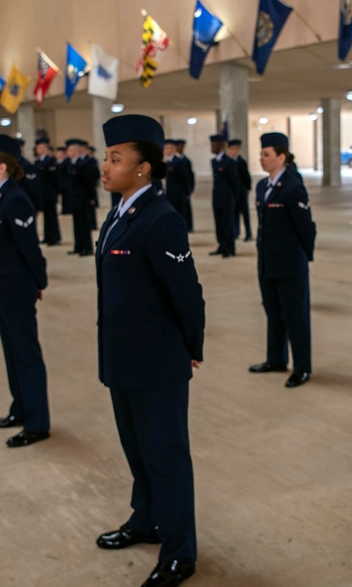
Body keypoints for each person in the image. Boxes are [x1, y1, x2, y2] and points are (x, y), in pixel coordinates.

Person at [93, 115, 204, 587]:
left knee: (165, 456)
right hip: (122, 358)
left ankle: (180, 551)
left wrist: (191, 347)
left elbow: (187, 292)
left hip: (157, 362)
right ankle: (146, 521)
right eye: (106, 156)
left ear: (143, 169)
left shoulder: (162, 219)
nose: (105, 165)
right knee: (137, 451)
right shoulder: (120, 213)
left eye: (116, 158)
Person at [0, 134, 51, 448]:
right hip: (2, 289)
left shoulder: (15, 198)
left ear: (2, 167)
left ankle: (37, 423)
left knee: (25, 354)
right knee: (11, 354)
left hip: (17, 289)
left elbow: (29, 248)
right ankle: (20, 408)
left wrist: (39, 282)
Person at [247, 133, 317, 388]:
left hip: (290, 264)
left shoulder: (293, 186)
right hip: (267, 263)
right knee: (273, 312)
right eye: (261, 154)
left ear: (281, 157)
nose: (261, 158)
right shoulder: (263, 187)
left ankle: (302, 367)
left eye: (266, 154)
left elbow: (306, 228)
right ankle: (276, 359)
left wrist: (303, 257)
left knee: (295, 316)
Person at [208, 134, 240, 257]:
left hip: (227, 198)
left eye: (214, 145)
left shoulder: (229, 162)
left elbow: (235, 182)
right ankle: (222, 245)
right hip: (217, 197)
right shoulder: (214, 162)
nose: (212, 147)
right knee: (219, 224)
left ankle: (230, 248)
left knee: (228, 224)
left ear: (221, 146)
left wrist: (234, 198)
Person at [66, 138, 97, 256]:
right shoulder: (71, 164)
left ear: (76, 151)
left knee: (84, 223)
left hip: (83, 197)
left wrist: (91, 197)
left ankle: (87, 247)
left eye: (71, 150)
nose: (69, 152)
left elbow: (89, 182)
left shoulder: (84, 163)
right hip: (74, 198)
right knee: (76, 223)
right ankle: (78, 246)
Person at [34, 137, 61, 246]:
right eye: (38, 148)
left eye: (41, 148)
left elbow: (55, 177)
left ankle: (54, 237)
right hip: (42, 193)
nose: (39, 150)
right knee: (45, 217)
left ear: (46, 149)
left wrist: (57, 190)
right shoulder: (37, 161)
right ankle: (47, 236)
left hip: (50, 192)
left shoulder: (51, 161)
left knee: (52, 216)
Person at [228, 139, 253, 241]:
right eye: (232, 149)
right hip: (233, 192)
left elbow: (246, 176)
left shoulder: (241, 162)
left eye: (236, 149)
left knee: (245, 213)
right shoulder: (228, 162)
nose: (234, 151)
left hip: (242, 191)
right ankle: (235, 232)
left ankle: (248, 233)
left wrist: (247, 187)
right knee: (234, 213)